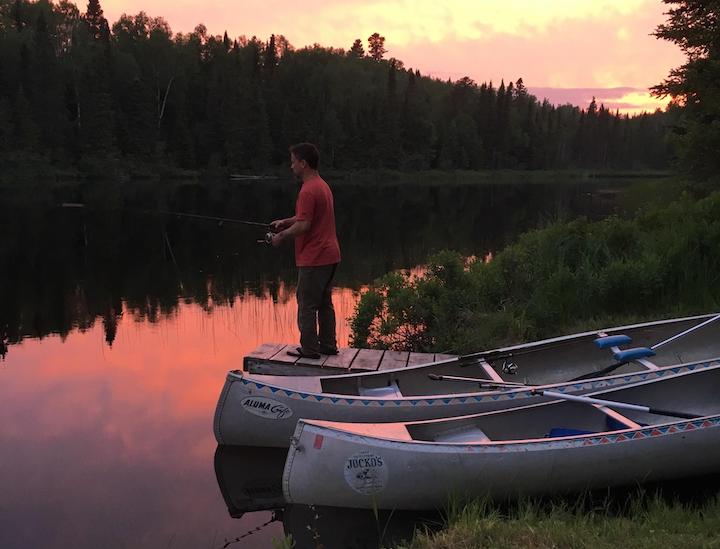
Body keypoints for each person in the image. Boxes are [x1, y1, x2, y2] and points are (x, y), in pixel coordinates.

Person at [271, 143, 341, 359]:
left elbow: (304, 226)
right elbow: (304, 218)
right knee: (324, 303)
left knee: (307, 304)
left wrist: (280, 237)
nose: (291, 166)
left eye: (293, 161)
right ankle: (328, 345)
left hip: (315, 257)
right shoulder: (322, 186)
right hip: (330, 255)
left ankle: (310, 350)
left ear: (304, 163)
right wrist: (285, 222)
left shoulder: (308, 190)